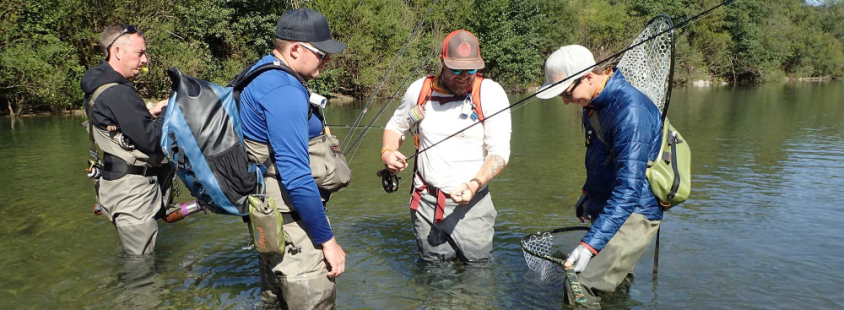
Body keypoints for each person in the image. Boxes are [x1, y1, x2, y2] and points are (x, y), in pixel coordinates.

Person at [536, 45, 663, 307]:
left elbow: (629, 191)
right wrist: (587, 194)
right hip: (609, 204)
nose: (565, 101)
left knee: (580, 285)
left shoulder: (630, 113)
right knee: (614, 282)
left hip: (635, 210)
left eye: (567, 93)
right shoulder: (594, 104)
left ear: (589, 77)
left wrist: (590, 245)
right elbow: (599, 157)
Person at [238, 8, 346, 309]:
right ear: (295, 49)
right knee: (315, 299)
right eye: (322, 53)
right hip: (293, 221)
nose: (328, 60)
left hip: (269, 215)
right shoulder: (283, 90)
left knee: (275, 300)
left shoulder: (261, 71)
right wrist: (328, 242)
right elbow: (297, 178)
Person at [381, 30, 512, 263]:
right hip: (426, 204)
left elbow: (499, 153)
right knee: (434, 277)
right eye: (456, 70)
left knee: (477, 276)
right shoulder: (420, 91)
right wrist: (388, 152)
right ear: (443, 62)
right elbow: (396, 126)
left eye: (471, 70)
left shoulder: (491, 94)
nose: (464, 76)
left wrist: (474, 184)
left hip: (474, 205)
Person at [80, 25, 171, 256]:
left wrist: (147, 114)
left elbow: (116, 123)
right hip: (131, 194)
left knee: (132, 257)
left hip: (113, 185)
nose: (145, 60)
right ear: (118, 51)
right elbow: (153, 141)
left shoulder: (97, 86)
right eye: (140, 53)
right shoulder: (118, 93)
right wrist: (166, 113)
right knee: (140, 274)